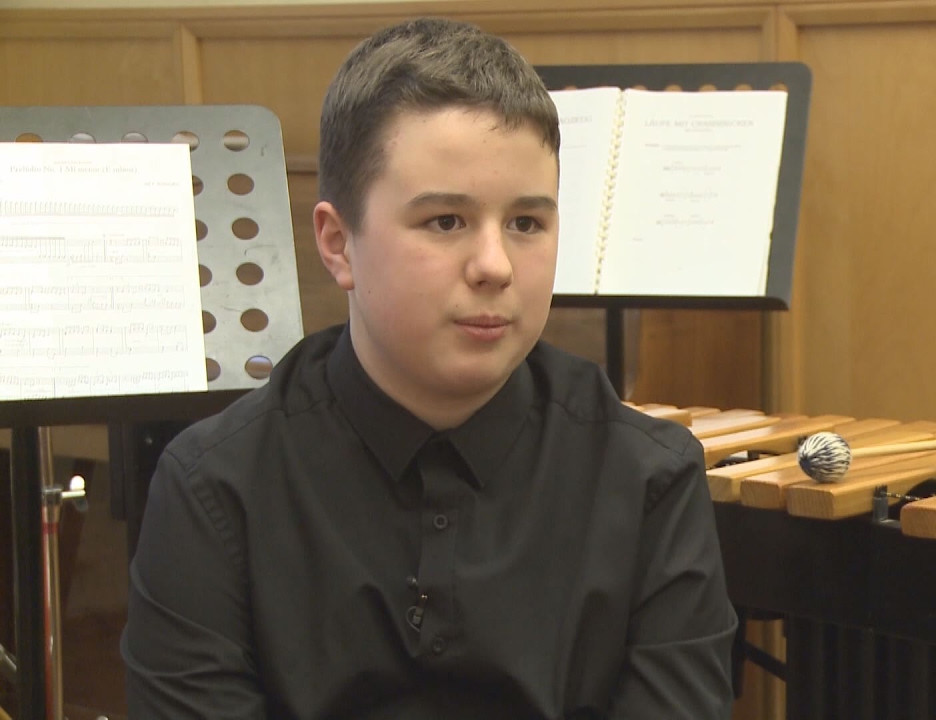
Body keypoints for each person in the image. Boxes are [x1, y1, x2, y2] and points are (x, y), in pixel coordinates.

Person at [120, 16, 738, 719]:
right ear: (338, 243)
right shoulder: (213, 489)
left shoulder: (650, 478)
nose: (495, 266)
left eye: (526, 223)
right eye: (445, 221)